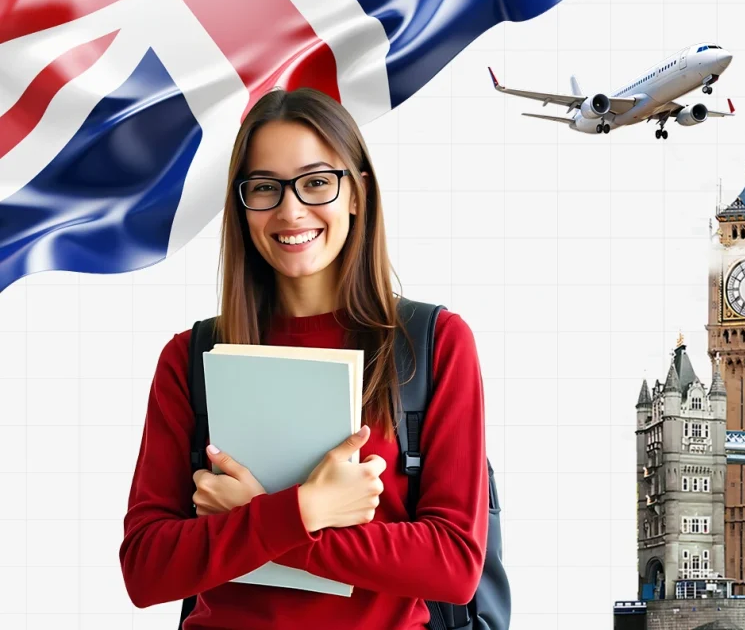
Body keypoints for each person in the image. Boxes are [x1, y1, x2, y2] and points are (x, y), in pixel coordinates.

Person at [119, 87, 489, 629]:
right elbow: (146, 570)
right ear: (242, 207)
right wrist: (306, 511)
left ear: (358, 193)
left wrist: (257, 520)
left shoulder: (433, 342)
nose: (290, 210)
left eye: (317, 182)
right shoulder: (189, 358)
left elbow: (454, 566)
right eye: (265, 188)